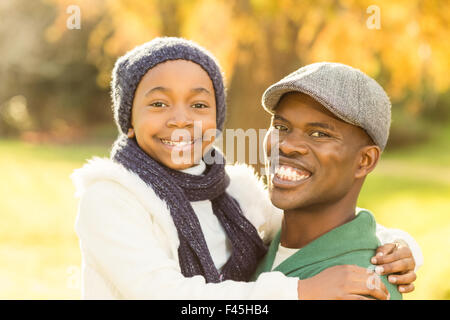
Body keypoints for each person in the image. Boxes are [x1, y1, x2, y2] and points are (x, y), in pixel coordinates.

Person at [71, 38, 421, 299]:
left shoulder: (236, 193)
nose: (180, 120)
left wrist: (400, 249)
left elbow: (320, 223)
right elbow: (167, 295)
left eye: (198, 104)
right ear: (128, 120)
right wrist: (298, 292)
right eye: (159, 103)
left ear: (216, 119)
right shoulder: (111, 198)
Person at [252, 62, 420, 299]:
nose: (287, 145)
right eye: (281, 126)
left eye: (319, 134)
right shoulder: (251, 239)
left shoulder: (360, 287)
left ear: (364, 160)